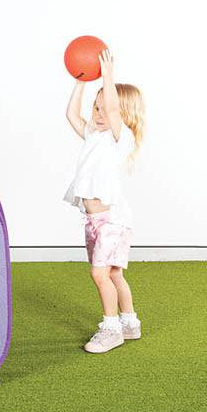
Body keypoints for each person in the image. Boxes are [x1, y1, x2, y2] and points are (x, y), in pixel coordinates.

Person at [63, 48, 146, 353]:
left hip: (113, 221)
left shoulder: (119, 139)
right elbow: (72, 115)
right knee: (113, 274)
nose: (98, 114)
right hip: (94, 221)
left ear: (123, 115)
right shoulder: (94, 136)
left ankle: (112, 329)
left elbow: (112, 109)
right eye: (95, 108)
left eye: (104, 109)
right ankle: (130, 323)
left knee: (99, 273)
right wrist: (80, 83)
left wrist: (108, 76)